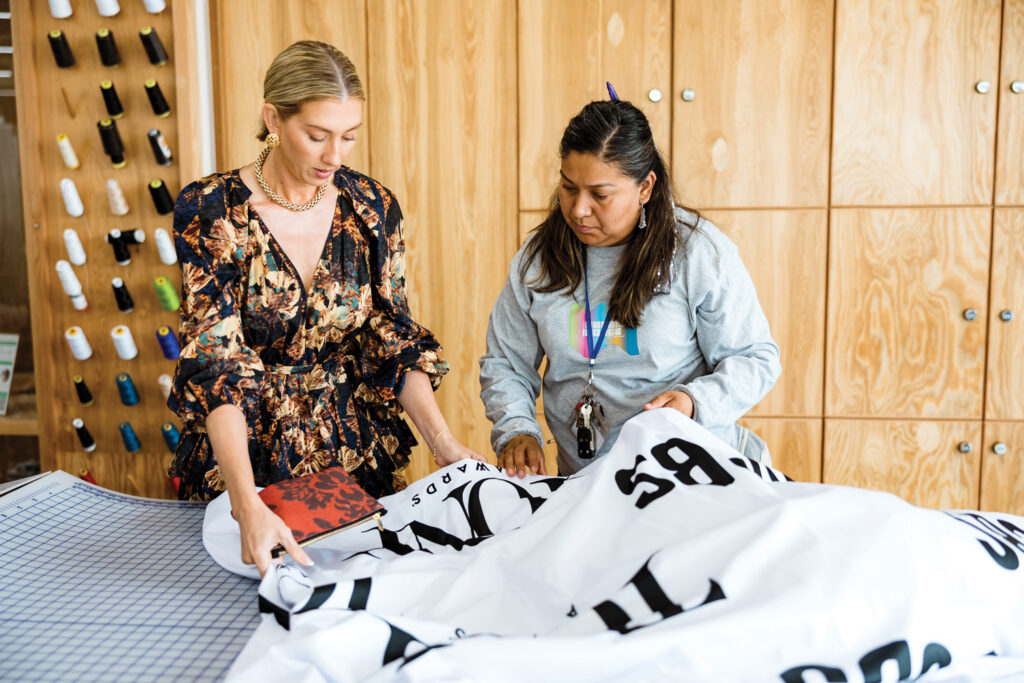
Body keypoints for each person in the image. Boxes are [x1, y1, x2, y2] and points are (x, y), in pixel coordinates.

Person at [169, 40, 483, 575]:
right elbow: (217, 360)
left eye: (348, 137)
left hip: (352, 451)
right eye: (317, 136)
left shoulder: (371, 206)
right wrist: (247, 505)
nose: (335, 157)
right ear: (273, 117)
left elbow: (392, 339)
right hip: (248, 455)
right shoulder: (212, 210)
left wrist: (444, 443)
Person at [479, 97, 781, 478]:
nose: (577, 210)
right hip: (585, 483)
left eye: (599, 195)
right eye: (569, 187)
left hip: (691, 479)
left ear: (645, 187)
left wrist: (693, 400)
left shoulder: (697, 253)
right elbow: (506, 362)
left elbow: (756, 358)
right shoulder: (537, 259)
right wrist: (517, 429)